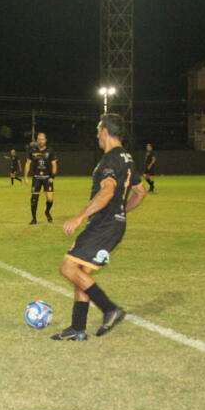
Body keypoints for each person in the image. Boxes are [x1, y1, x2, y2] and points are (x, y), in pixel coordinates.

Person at [52, 113, 146, 341]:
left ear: (105, 131)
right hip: (112, 225)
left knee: (67, 268)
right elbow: (140, 192)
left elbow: (107, 191)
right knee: (80, 273)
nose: (97, 136)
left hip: (103, 225)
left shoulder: (110, 160)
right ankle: (77, 328)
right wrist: (120, 213)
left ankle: (109, 308)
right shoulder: (127, 158)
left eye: (97, 131)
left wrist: (79, 217)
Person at [23, 132, 58, 224]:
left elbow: (54, 164)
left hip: (47, 178)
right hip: (36, 178)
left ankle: (47, 212)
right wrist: (26, 177)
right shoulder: (32, 150)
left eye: (42, 139)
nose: (40, 141)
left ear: (45, 140)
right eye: (38, 139)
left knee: (50, 199)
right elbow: (28, 163)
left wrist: (52, 176)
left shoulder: (50, 150)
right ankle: (34, 219)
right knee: (34, 198)